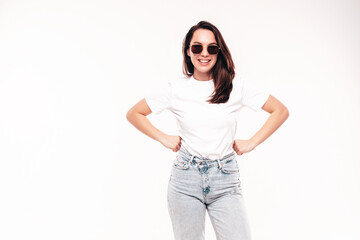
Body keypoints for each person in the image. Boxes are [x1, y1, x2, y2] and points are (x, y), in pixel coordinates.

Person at [126, 20, 289, 240]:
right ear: (188, 51)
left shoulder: (234, 86)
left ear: (219, 52)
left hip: (225, 178)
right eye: (197, 47)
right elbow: (134, 113)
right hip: (185, 179)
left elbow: (280, 110)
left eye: (212, 48)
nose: (204, 53)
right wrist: (162, 137)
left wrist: (252, 142)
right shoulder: (176, 89)